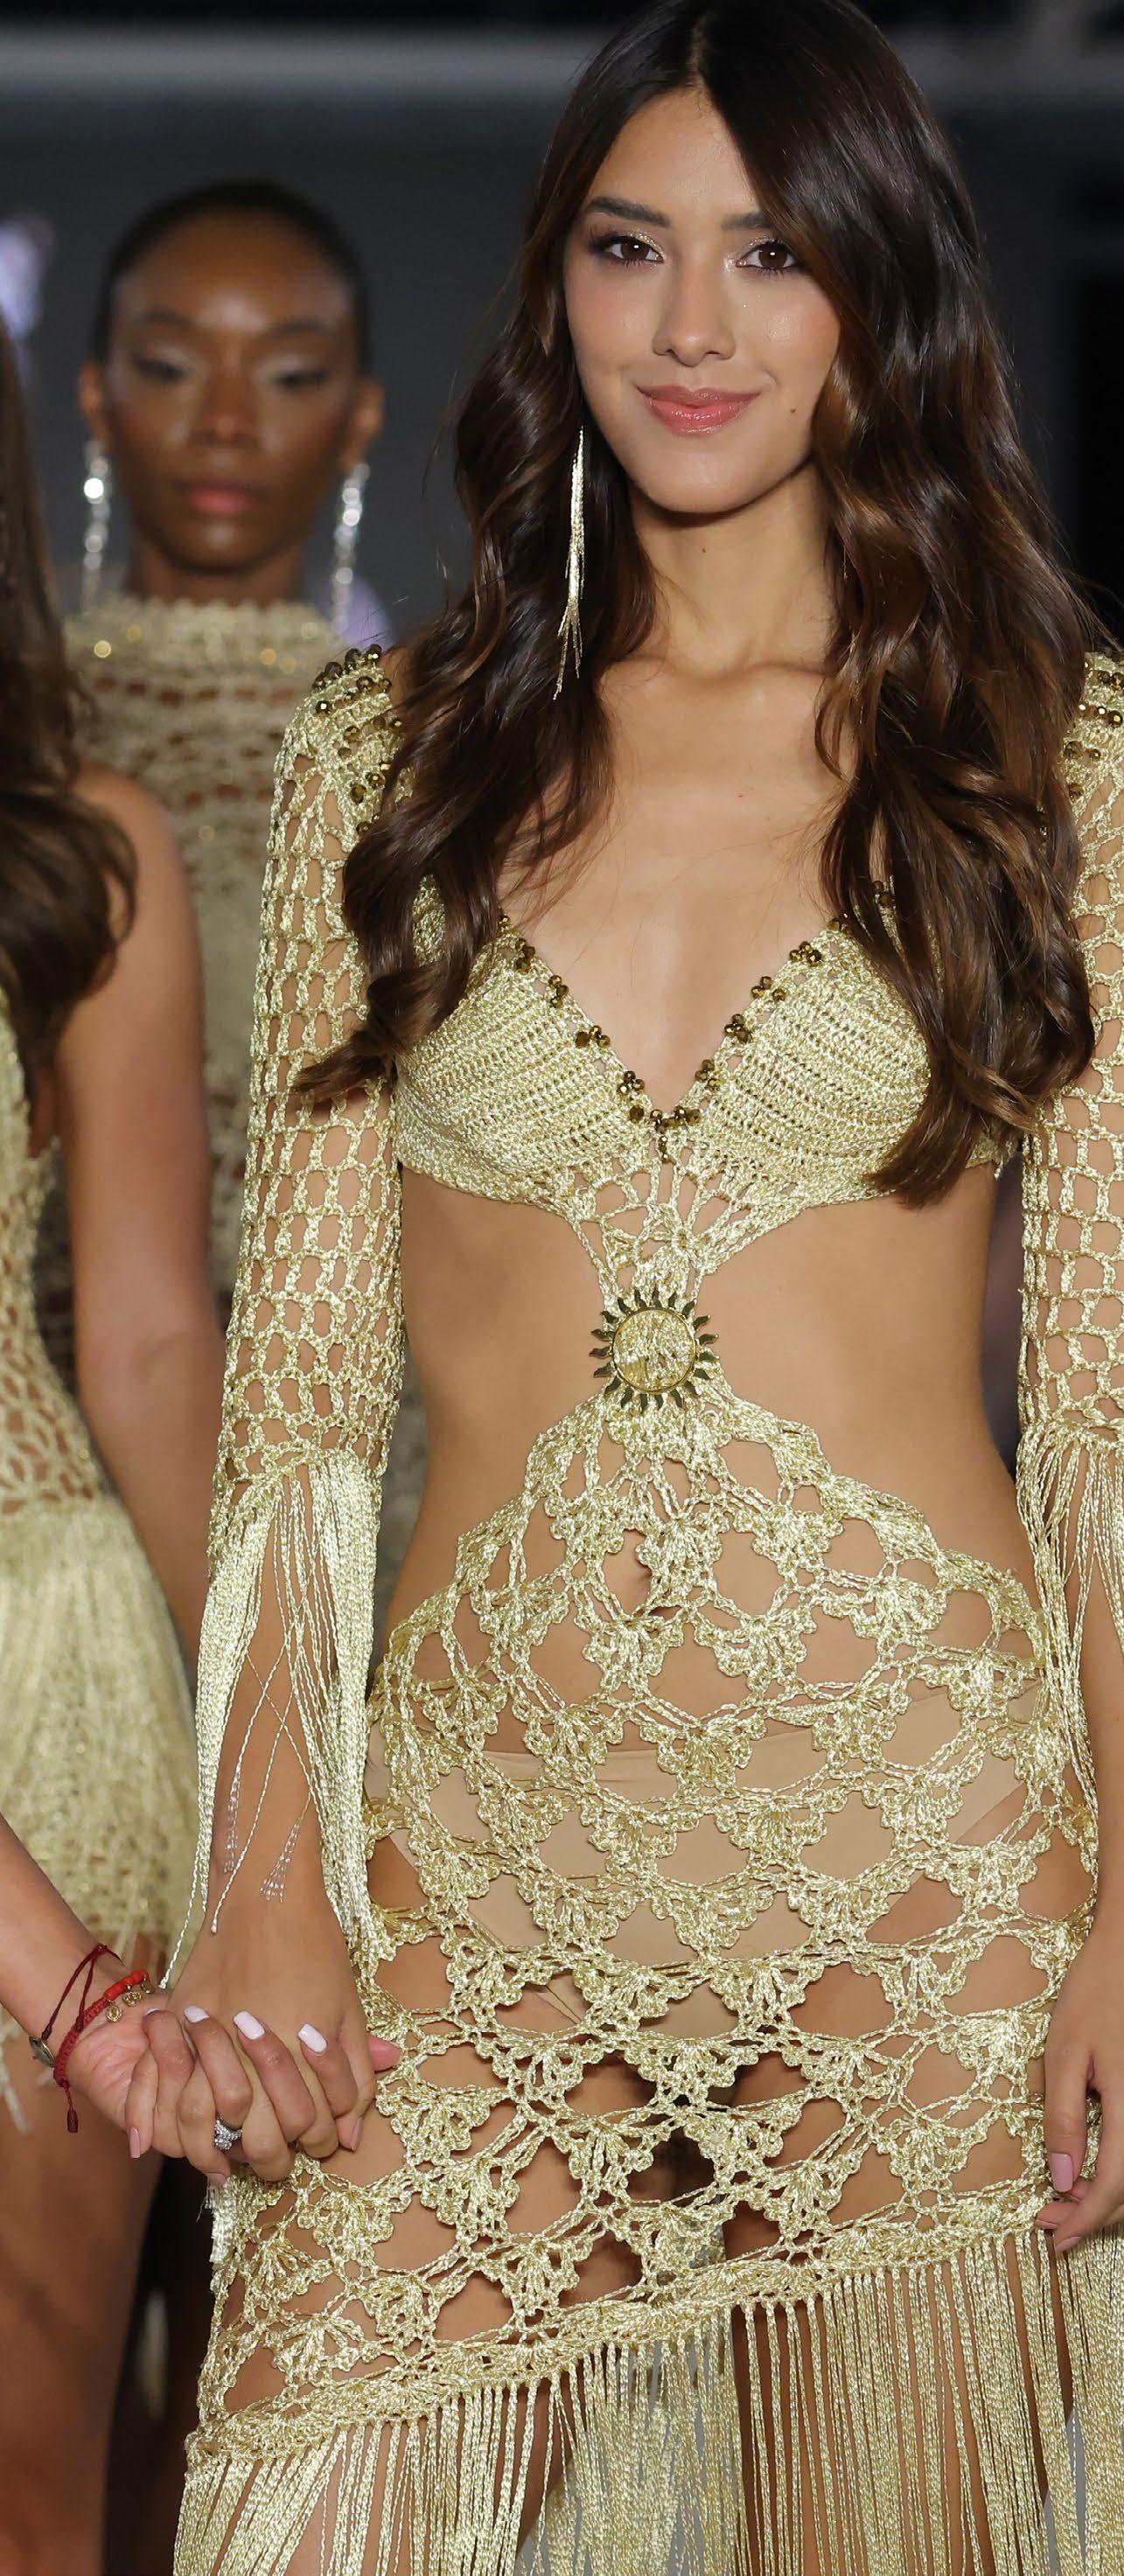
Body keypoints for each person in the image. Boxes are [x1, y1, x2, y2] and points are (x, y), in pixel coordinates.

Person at [132, 4, 1124, 2568]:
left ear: (880, 294)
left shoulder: (1043, 755)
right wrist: (267, 1863)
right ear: (552, 289)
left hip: (914, 1839)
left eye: (770, 254)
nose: (690, 326)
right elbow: (300, 1395)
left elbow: (1110, 1399)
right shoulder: (393, 760)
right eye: (626, 246)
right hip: (472, 1845)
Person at [59, 180, 424, 1646]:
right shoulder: (32, 750)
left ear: (358, 417)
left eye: (285, 375)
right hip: (55, 1473)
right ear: (96, 395)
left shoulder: (445, 757)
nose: (223, 424)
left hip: (371, 1456)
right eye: (168, 364)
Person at [0, 310, 225, 2573]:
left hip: (41, 1694)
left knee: (24, 2482)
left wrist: (275, 1790)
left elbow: (152, 1337)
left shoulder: (80, 851)